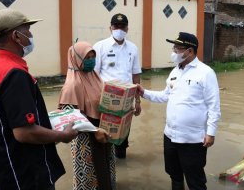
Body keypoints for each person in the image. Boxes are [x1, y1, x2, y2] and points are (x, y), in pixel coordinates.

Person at [0, 8, 78, 189]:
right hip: (26, 173)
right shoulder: (14, 74)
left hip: (3, 166)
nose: (30, 36)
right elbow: (24, 132)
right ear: (16, 36)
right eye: (28, 30)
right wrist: (63, 135)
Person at [137, 32, 221, 190]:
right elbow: (165, 95)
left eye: (177, 48)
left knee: (195, 180)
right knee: (174, 175)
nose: (174, 51)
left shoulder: (206, 73)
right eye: (174, 47)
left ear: (189, 51)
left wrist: (211, 132)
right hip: (170, 136)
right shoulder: (175, 71)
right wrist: (144, 92)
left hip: (193, 140)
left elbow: (214, 106)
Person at [59, 41, 116, 190]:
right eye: (87, 57)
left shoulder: (95, 76)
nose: (91, 60)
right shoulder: (72, 85)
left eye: (93, 56)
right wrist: (94, 131)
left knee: (105, 169)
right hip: (85, 138)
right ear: (76, 59)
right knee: (90, 174)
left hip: (103, 131)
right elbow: (70, 118)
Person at [93, 13, 142, 159]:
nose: (119, 29)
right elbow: (94, 76)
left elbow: (136, 75)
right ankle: (106, 162)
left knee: (123, 133)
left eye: (122, 26)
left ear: (127, 29)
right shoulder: (100, 46)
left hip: (126, 101)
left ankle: (120, 160)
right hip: (105, 100)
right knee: (104, 133)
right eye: (116, 26)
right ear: (110, 28)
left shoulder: (133, 48)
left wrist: (137, 101)